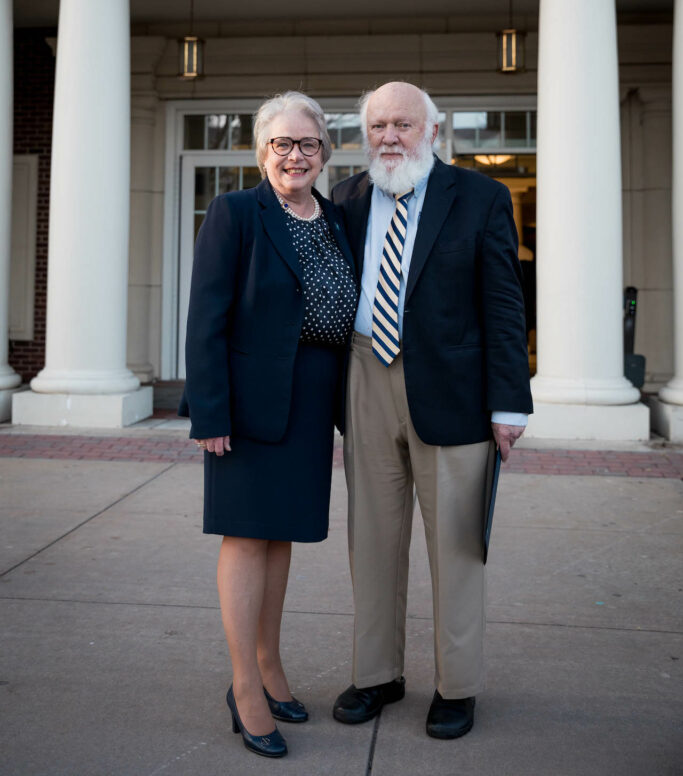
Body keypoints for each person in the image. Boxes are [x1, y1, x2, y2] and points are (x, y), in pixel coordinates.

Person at [330, 81, 532, 740]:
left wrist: (508, 402)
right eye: (378, 125)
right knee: (371, 542)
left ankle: (456, 686)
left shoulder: (479, 197)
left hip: (452, 390)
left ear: (433, 132)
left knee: (454, 547)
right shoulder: (348, 198)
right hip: (363, 376)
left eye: (403, 124)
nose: (389, 136)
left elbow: (504, 302)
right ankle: (376, 674)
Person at [179, 92, 358, 759]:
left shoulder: (337, 218)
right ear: (261, 151)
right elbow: (205, 317)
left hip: (311, 399)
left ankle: (271, 665)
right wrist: (210, 411)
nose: (295, 155)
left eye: (307, 143)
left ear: (324, 152)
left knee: (281, 538)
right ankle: (244, 686)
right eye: (281, 143)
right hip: (249, 403)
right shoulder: (234, 213)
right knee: (247, 538)